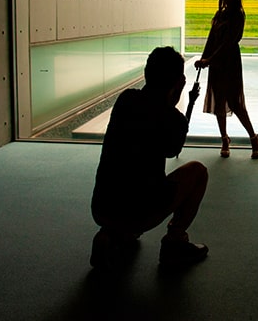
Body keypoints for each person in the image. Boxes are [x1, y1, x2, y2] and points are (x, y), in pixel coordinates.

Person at [90, 46, 209, 270]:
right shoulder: (171, 117)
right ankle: (175, 241)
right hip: (139, 211)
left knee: (127, 193)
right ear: (178, 82)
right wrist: (185, 101)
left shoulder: (126, 99)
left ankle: (109, 234)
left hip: (102, 206)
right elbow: (174, 148)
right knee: (198, 172)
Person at [194, 0, 258, 159]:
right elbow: (211, 39)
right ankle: (224, 138)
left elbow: (229, 42)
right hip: (216, 63)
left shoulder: (238, 14)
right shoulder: (219, 14)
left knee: (234, 103)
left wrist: (209, 59)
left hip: (229, 62)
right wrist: (204, 57)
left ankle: (254, 138)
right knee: (219, 102)